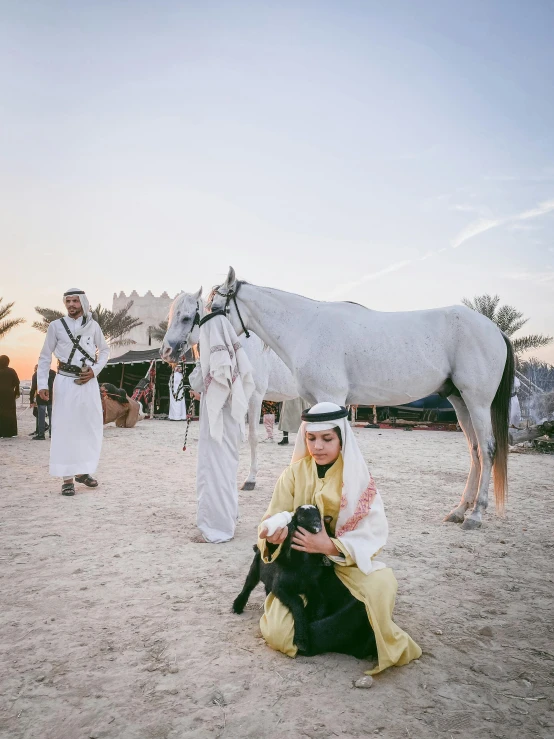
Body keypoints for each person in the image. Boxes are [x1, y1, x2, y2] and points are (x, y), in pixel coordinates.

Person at [257, 402, 422, 674]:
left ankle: (328, 631)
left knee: (381, 584)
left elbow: (373, 530)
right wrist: (273, 538)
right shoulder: (293, 475)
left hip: (343, 566)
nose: (318, 446)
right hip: (302, 571)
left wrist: (329, 545)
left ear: (341, 437)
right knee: (278, 635)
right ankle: (350, 636)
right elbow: (270, 519)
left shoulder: (355, 475)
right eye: (311, 438)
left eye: (327, 438)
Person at [189, 312, 255, 543]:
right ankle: (228, 518)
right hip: (231, 425)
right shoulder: (234, 355)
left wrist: (199, 358)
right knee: (226, 473)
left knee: (213, 474)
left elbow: (196, 383)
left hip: (217, 427)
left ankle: (216, 529)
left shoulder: (211, 359)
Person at [37, 288, 109, 496]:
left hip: (88, 383)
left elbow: (104, 351)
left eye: (75, 301)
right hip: (65, 382)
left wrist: (95, 371)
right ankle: (67, 478)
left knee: (89, 426)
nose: (71, 305)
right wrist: (42, 384)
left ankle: (84, 471)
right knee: (65, 428)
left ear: (83, 303)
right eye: (68, 301)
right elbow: (44, 356)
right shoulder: (55, 326)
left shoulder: (93, 326)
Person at [30, 363, 56, 440]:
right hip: (51, 397)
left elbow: (33, 388)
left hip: (40, 397)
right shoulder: (53, 373)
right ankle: (52, 434)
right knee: (52, 417)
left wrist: (31, 400)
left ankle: (41, 434)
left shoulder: (37, 374)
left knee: (41, 417)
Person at [0, 355, 20, 438]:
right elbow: (17, 383)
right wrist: (16, 393)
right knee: (10, 413)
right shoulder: (12, 371)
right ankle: (10, 432)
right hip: (9, 394)